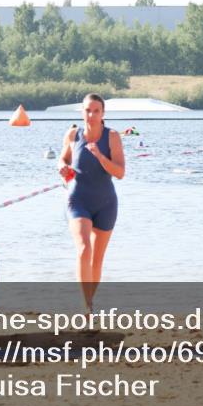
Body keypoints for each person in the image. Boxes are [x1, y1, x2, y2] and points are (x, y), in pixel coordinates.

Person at [59, 93, 125, 315]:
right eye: (88, 110)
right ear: (82, 112)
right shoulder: (73, 134)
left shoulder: (112, 137)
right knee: (83, 249)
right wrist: (62, 168)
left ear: (103, 113)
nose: (92, 115)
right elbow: (63, 159)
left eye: (96, 111)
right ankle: (85, 305)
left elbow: (120, 173)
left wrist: (100, 156)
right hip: (78, 200)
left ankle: (90, 303)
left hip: (105, 203)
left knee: (96, 261)